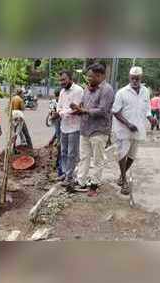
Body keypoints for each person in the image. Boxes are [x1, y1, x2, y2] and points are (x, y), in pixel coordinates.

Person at [112, 66, 157, 195]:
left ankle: (122, 175)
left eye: (137, 78)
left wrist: (150, 118)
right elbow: (115, 112)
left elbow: (147, 108)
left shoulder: (145, 91)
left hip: (138, 129)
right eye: (133, 78)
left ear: (141, 78)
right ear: (129, 77)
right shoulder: (121, 92)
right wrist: (127, 124)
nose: (135, 80)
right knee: (122, 154)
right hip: (123, 130)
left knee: (132, 156)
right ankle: (124, 181)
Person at [74, 63, 115, 197]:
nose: (89, 79)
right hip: (85, 128)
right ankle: (81, 182)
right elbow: (84, 106)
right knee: (84, 157)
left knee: (97, 159)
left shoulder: (107, 90)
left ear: (100, 76)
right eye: (88, 77)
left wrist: (84, 110)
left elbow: (103, 111)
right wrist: (78, 110)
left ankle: (95, 184)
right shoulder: (87, 88)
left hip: (99, 130)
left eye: (91, 77)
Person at [57, 70, 84, 187]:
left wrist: (62, 112)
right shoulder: (62, 91)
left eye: (64, 79)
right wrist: (61, 111)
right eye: (60, 80)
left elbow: (76, 109)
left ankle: (69, 176)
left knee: (71, 153)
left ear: (70, 79)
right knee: (63, 152)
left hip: (74, 127)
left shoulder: (78, 90)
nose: (62, 82)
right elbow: (59, 107)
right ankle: (65, 173)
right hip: (64, 126)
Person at [48, 89, 64, 178]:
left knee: (61, 148)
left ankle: (60, 169)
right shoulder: (55, 104)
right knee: (60, 148)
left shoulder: (58, 105)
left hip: (64, 132)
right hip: (61, 132)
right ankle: (58, 167)